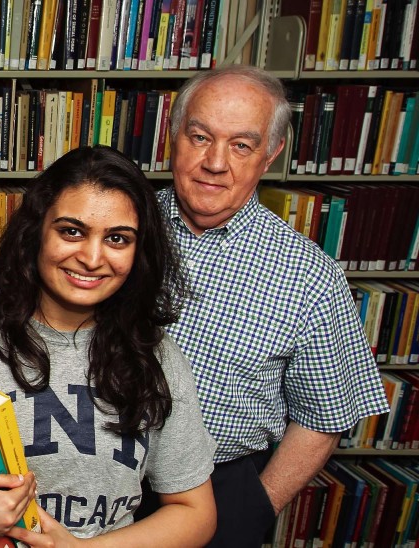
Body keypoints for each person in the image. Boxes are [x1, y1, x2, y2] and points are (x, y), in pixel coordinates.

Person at [0, 145, 218, 547]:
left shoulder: (157, 356)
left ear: (139, 252)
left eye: (117, 238)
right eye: (72, 231)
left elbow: (194, 511)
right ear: (37, 231)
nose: (92, 258)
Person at [151, 64, 390, 546]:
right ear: (172, 135)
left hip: (221, 490)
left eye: (242, 144)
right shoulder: (117, 229)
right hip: (92, 477)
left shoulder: (310, 276)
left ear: (271, 153)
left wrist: (256, 506)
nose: (216, 162)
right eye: (199, 136)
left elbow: (322, 418)